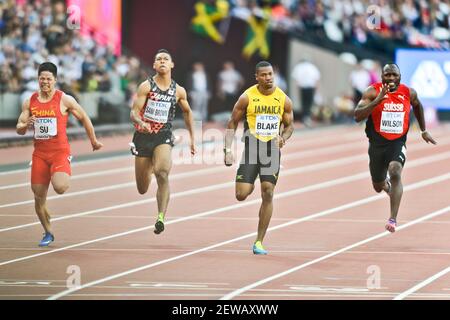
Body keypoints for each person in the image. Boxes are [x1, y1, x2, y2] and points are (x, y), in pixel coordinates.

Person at [15, 62, 103, 247]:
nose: (45, 82)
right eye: (42, 78)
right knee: (38, 196)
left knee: (61, 187)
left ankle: (66, 163)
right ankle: (48, 232)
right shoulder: (30, 101)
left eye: (48, 78)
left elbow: (84, 117)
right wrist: (26, 124)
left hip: (59, 152)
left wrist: (93, 140)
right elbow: (19, 129)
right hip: (39, 154)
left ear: (55, 80)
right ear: (37, 80)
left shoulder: (64, 99)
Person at [354, 63, 437, 233]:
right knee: (377, 186)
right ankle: (388, 188)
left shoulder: (408, 92)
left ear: (400, 76)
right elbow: (357, 115)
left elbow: (418, 106)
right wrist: (377, 101)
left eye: (394, 75)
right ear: (382, 76)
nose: (391, 78)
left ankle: (393, 218)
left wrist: (424, 130)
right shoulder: (372, 92)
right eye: (387, 75)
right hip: (377, 144)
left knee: (395, 170)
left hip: (397, 143)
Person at [224, 61, 294, 255]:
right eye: (263, 75)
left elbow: (289, 126)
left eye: (270, 74)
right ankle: (251, 180)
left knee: (268, 192)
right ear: (257, 77)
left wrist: (283, 137)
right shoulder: (247, 97)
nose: (268, 78)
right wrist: (227, 150)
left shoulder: (283, 99)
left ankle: (259, 241)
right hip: (252, 148)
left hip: (271, 150)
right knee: (241, 194)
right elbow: (232, 122)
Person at [130, 49, 196, 235]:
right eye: (158, 59)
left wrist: (192, 139)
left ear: (172, 65)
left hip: (164, 135)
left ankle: (161, 217)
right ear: (154, 65)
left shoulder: (179, 91)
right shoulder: (146, 86)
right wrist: (140, 122)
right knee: (142, 188)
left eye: (165, 59)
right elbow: (134, 112)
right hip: (143, 136)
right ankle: (150, 164)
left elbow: (188, 112)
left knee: (162, 172)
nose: (162, 61)